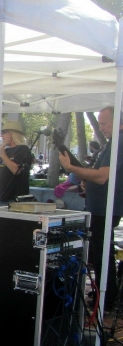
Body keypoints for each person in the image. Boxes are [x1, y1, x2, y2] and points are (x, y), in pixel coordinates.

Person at [59, 106, 123, 310]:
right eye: (100, 122)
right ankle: (104, 294)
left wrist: (71, 168)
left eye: (105, 122)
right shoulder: (111, 143)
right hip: (99, 206)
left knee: (102, 253)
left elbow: (103, 176)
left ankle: (107, 297)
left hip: (105, 208)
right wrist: (88, 181)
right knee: (99, 252)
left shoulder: (118, 142)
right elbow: (101, 175)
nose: (101, 127)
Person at [0, 120, 33, 204]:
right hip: (1, 196)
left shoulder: (23, 149)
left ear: (12, 134)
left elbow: (16, 170)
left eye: (4, 132)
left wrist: (3, 155)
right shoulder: (6, 150)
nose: (1, 135)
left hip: (15, 198)